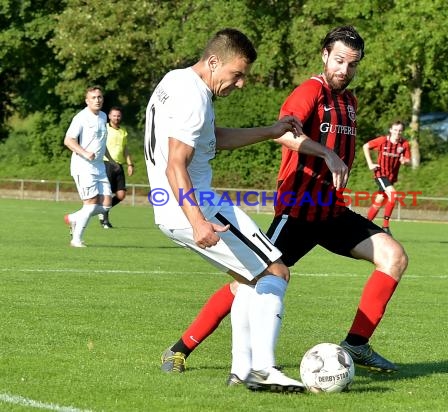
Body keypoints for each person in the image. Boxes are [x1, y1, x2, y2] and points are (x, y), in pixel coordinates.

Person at [167, 26, 409, 385]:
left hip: (331, 211)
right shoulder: (309, 91)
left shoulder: (350, 102)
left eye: (352, 64)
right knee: (248, 281)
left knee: (394, 257)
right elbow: (284, 131)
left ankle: (357, 343)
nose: (344, 69)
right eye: (339, 60)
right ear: (325, 55)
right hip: (298, 211)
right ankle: (181, 348)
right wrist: (325, 152)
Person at [144, 28, 305, 392]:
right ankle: (263, 368)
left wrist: (272, 130)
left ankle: (242, 371)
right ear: (214, 62)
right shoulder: (195, 98)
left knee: (249, 278)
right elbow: (175, 165)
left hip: (169, 209)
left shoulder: (176, 81)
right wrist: (198, 220)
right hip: (194, 205)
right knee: (276, 272)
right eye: (237, 73)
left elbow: (216, 139)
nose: (241, 83)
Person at [63, 86, 112, 247]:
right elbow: (68, 140)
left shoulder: (103, 116)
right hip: (83, 166)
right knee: (90, 205)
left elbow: (101, 141)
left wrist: (110, 159)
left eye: (99, 97)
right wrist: (84, 153)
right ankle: (76, 239)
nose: (97, 100)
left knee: (106, 205)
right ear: (87, 101)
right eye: (93, 98)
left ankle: (74, 218)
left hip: (99, 167)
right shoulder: (81, 117)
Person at [362, 121, 411, 236]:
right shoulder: (383, 141)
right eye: (395, 130)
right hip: (380, 174)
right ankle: (385, 226)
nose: (397, 132)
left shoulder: (404, 144)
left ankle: (365, 226)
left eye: (400, 130)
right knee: (393, 195)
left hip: (391, 178)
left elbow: (408, 160)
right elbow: (365, 146)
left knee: (379, 201)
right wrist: (370, 164)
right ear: (390, 130)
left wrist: (405, 161)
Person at [98, 106, 134, 228]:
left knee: (121, 195)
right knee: (107, 193)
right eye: (114, 115)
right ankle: (105, 221)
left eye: (118, 116)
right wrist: (111, 161)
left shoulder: (123, 131)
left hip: (119, 165)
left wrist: (130, 164)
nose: (116, 118)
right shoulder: (105, 128)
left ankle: (102, 210)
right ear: (109, 116)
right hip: (107, 163)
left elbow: (125, 149)